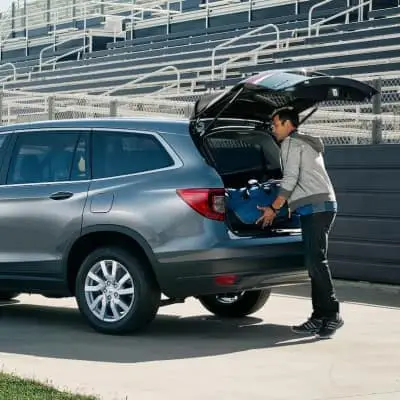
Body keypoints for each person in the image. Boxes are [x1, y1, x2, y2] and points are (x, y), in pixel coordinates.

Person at [256, 107, 343, 339]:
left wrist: (273, 208)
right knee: (315, 262)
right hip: (321, 205)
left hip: (315, 207)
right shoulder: (305, 143)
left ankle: (332, 315)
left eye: (275, 125)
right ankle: (319, 317)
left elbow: (291, 178)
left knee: (317, 262)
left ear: (287, 124)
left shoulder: (291, 144)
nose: (273, 129)